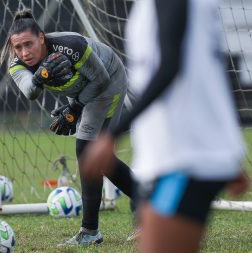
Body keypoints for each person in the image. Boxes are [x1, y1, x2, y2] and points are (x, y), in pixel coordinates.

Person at [81, 0, 250, 252]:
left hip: (185, 159)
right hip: (178, 156)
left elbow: (169, 68)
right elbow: (205, 74)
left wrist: (112, 135)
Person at [0, 9, 137, 246]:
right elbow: (31, 92)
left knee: (87, 151)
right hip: (86, 93)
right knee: (96, 155)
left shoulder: (70, 45)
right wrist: (42, 76)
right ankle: (149, 201)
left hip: (110, 80)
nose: (24, 52)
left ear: (41, 38)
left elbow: (101, 80)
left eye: (29, 44)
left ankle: (90, 231)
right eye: (18, 48)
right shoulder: (17, 65)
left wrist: (75, 109)